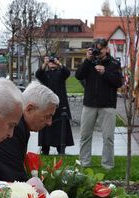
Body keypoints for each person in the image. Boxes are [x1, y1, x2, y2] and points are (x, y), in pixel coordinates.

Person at [75, 38, 123, 169]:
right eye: (96, 49)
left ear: (106, 49)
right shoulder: (89, 62)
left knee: (108, 137)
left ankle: (107, 165)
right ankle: (84, 163)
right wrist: (87, 60)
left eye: (100, 49)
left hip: (107, 105)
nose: (98, 52)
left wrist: (105, 72)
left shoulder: (113, 63)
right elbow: (78, 76)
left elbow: (119, 82)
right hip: (89, 104)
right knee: (85, 135)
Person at [36, 55, 74, 155]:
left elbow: (67, 72)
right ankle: (45, 149)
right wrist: (44, 63)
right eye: (50, 61)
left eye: (53, 61)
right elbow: (38, 74)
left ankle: (61, 149)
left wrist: (59, 63)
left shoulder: (61, 73)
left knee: (60, 127)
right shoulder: (45, 74)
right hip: (47, 104)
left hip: (60, 105)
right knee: (46, 127)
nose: (52, 62)